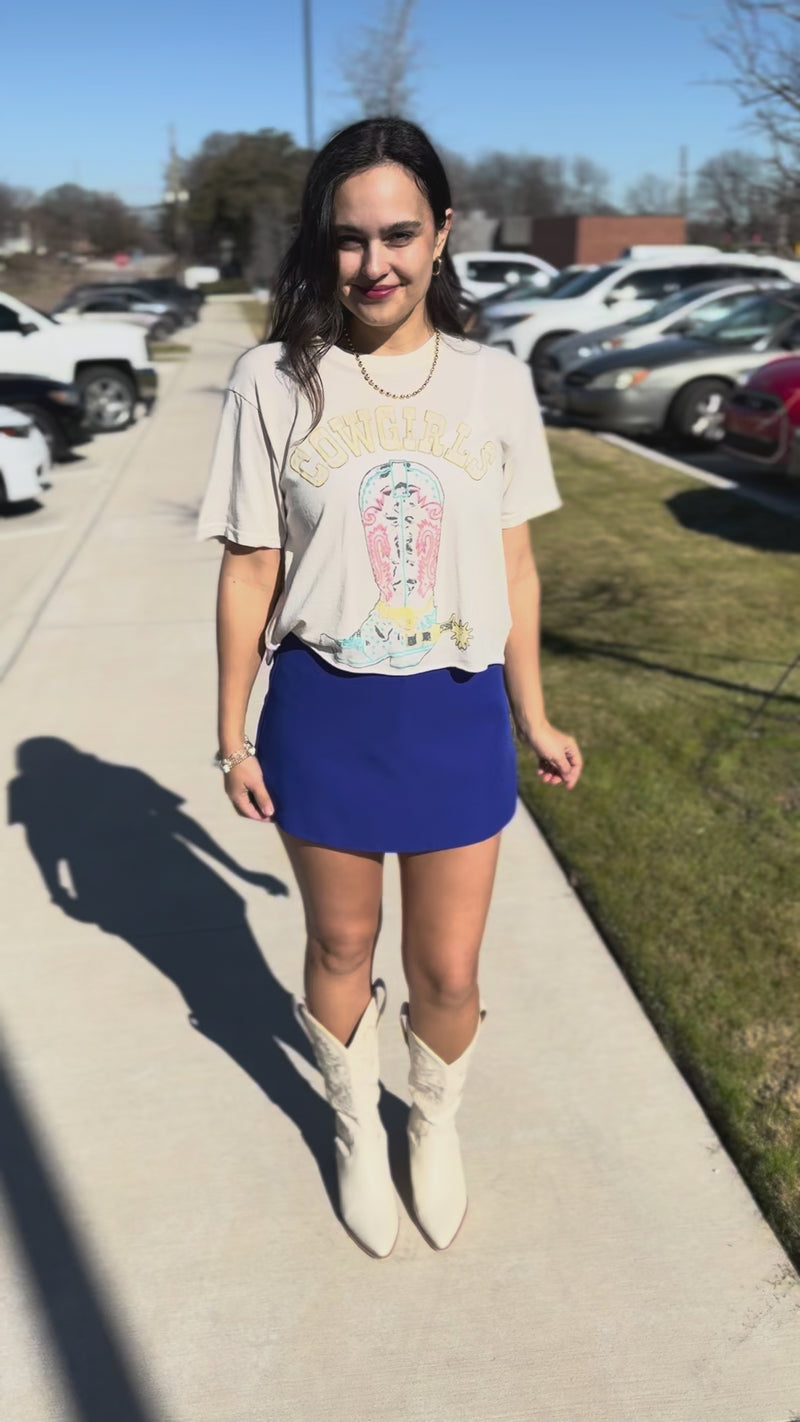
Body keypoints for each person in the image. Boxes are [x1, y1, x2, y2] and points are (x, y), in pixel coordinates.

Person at [195, 116, 583, 1259]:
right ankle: (357, 1122)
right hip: (325, 709)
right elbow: (250, 566)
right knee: (337, 950)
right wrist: (232, 737)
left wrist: (532, 710)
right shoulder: (274, 380)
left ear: (442, 233)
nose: (375, 264)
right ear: (321, 244)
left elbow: (512, 560)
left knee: (448, 967)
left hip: (454, 712)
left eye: (400, 234)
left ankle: (435, 1123)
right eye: (349, 238)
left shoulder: (491, 382)